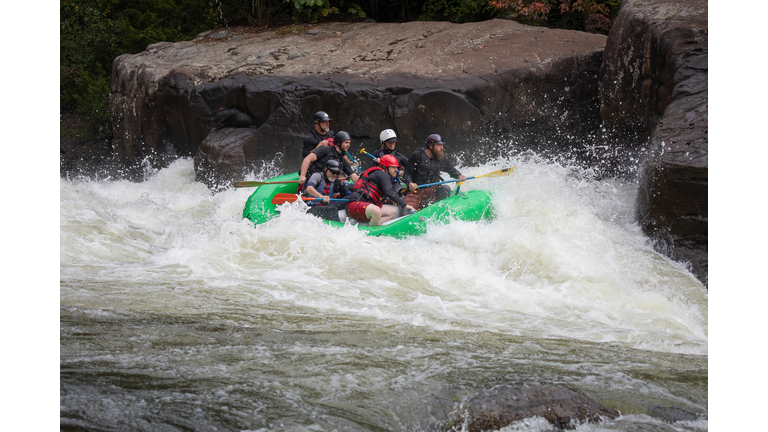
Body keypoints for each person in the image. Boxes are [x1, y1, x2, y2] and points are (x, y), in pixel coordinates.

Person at [346, 155, 415, 226]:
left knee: (392, 212)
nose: (396, 170)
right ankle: (373, 233)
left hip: (367, 207)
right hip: (356, 205)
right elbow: (388, 192)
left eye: (396, 167)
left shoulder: (381, 175)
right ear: (386, 167)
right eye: (393, 167)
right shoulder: (382, 174)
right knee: (376, 210)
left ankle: (372, 227)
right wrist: (405, 205)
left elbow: (388, 196)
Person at [403, 133, 466, 211]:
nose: (442, 148)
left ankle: (442, 211)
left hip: (433, 189)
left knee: (445, 189)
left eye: (442, 145)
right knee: (405, 209)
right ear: (431, 146)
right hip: (417, 190)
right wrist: (409, 183)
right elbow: (407, 173)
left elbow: (451, 169)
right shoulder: (418, 155)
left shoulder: (440, 157)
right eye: (439, 145)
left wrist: (459, 175)